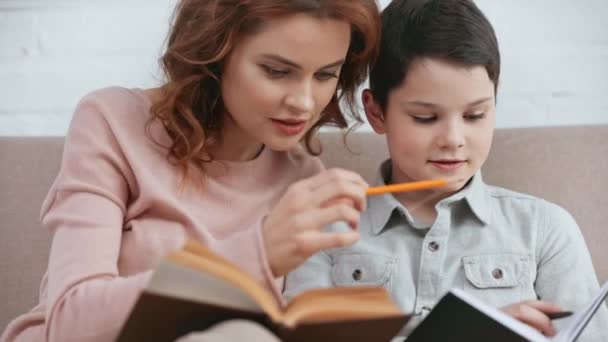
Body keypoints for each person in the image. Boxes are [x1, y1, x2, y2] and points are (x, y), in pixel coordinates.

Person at [1, 1, 381, 341]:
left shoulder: (305, 182)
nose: (303, 101)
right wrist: (258, 253)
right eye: (276, 71)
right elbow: (69, 325)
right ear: (215, 52)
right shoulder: (112, 123)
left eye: (325, 75)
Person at [284, 0, 608, 340]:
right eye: (425, 118)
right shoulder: (326, 229)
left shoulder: (544, 230)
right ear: (377, 112)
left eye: (475, 116)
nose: (453, 139)